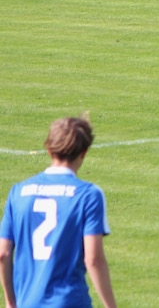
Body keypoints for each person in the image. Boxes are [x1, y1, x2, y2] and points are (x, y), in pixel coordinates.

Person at [0, 116, 118, 308]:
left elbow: (3, 254)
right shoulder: (88, 195)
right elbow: (93, 259)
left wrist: (11, 302)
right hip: (70, 302)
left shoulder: (18, 191)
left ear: (49, 148)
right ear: (84, 152)